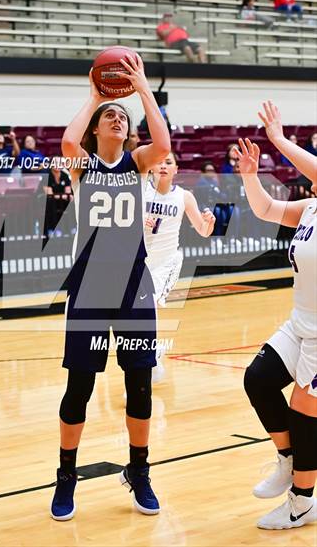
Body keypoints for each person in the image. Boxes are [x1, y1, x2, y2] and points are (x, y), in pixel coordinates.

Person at [50, 53, 170, 521]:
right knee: (78, 387)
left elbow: (162, 142)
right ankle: (65, 477)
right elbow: (64, 141)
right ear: (98, 130)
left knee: (139, 386)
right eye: (110, 118)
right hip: (92, 286)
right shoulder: (83, 165)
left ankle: (138, 471)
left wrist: (140, 89)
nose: (118, 120)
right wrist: (97, 96)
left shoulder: (138, 163)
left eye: (123, 118)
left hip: (134, 286)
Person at [237, 101, 316, 530]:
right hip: (300, 323)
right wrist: (250, 176)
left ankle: (302, 502)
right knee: (258, 379)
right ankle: (287, 460)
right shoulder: (310, 209)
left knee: (305, 410)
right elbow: (267, 210)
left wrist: (279, 140)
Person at [144, 152, 215, 382]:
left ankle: (150, 364)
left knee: (148, 304)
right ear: (151, 167)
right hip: (141, 261)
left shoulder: (184, 197)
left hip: (167, 263)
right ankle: (152, 351)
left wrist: (210, 223)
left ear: (176, 169)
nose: (163, 165)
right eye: (160, 161)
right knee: (137, 312)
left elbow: (203, 231)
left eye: (169, 162)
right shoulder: (141, 192)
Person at [195, 161, 239, 235]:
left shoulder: (215, 182)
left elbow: (221, 196)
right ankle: (216, 239)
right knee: (217, 211)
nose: (211, 172)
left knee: (235, 210)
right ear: (203, 172)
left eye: (212, 170)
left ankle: (233, 237)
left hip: (216, 204)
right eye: (208, 170)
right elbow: (202, 198)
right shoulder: (201, 183)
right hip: (205, 206)